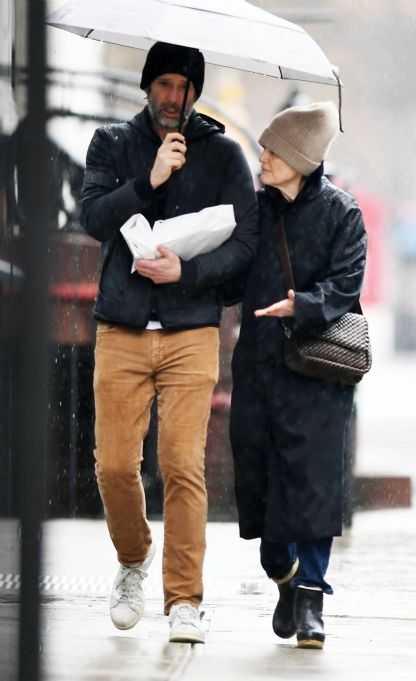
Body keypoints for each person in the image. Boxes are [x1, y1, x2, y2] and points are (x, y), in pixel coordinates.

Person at [79, 41, 258, 643]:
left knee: (182, 465)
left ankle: (184, 599)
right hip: (122, 327)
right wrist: (147, 179)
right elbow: (95, 218)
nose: (173, 99)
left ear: (195, 93)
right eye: (163, 86)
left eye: (183, 87)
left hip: (190, 331)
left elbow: (243, 244)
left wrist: (190, 273)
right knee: (112, 467)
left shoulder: (226, 156)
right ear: (146, 86)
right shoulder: (112, 144)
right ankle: (134, 560)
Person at [229, 102, 367, 649]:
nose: (261, 157)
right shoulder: (254, 210)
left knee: (311, 485)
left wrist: (301, 305)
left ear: (301, 159)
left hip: (315, 370)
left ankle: (311, 597)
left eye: (272, 149)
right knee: (258, 482)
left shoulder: (342, 213)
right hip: (259, 368)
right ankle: (283, 576)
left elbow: (347, 286)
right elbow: (227, 268)